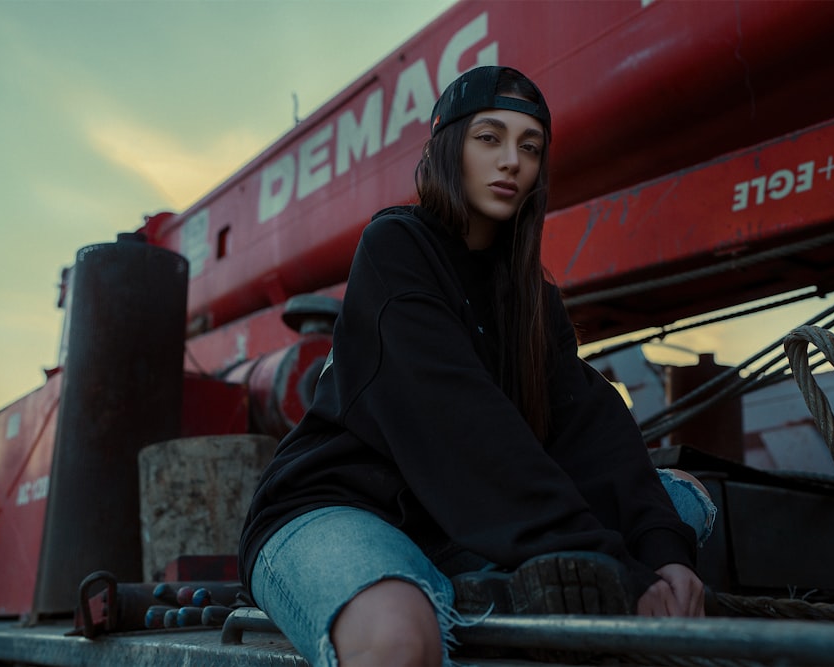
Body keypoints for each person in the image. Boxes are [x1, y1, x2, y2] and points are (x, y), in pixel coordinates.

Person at [239, 65, 717, 667]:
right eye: (489, 138)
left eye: (530, 146)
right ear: (448, 148)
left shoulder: (533, 300)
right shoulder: (396, 248)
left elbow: (593, 430)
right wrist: (618, 566)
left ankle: (491, 574)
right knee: (397, 638)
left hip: (456, 524)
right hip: (341, 508)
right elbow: (456, 422)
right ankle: (474, 580)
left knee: (682, 499)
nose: (511, 161)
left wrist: (663, 555)